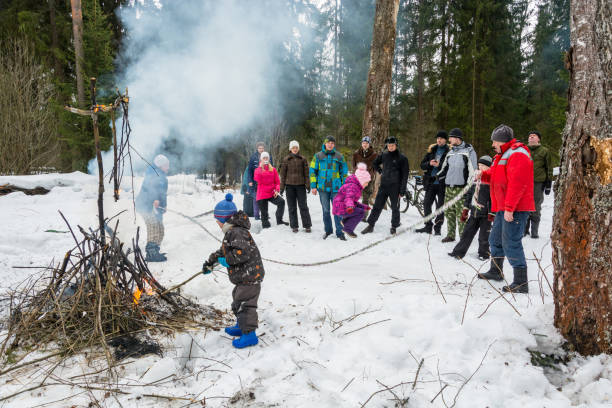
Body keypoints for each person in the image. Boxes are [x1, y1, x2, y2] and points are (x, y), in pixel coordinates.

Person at [476, 124, 534, 293]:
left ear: (501, 141)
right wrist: (483, 175)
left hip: (515, 207)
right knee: (495, 239)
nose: (492, 144)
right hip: (503, 207)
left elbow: (518, 183)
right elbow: (496, 175)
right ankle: (496, 271)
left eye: (494, 141)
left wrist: (509, 208)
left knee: (511, 242)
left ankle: (521, 282)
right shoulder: (502, 154)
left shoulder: (518, 153)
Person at [203, 202, 264, 349]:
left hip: (250, 276)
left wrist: (227, 260)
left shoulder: (237, 232)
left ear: (224, 219)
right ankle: (240, 325)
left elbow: (242, 253)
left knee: (245, 305)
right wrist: (210, 263)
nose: (218, 224)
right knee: (237, 300)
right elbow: (222, 252)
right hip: (243, 277)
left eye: (218, 221)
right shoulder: (231, 232)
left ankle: (249, 335)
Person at [435, 128, 478, 243]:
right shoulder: (450, 152)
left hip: (461, 189)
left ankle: (463, 238)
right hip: (449, 187)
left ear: (457, 138)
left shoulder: (469, 152)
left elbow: (473, 171)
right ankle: (450, 235)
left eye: (451, 137)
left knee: (461, 215)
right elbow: (444, 168)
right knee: (449, 212)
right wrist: (437, 177)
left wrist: (469, 188)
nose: (449, 140)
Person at [361, 136, 409, 235]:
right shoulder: (384, 154)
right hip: (384, 185)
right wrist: (380, 171)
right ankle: (371, 225)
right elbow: (375, 163)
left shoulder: (402, 158)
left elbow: (405, 175)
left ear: (396, 145)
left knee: (395, 208)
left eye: (392, 145)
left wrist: (402, 190)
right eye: (388, 145)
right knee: (377, 205)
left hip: (395, 187)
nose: (390, 147)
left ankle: (394, 226)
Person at [448, 156, 493, 260]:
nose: (480, 167)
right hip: (474, 212)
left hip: (486, 214)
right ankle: (458, 252)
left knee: (483, 237)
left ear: (489, 167)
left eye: (483, 166)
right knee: (466, 233)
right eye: (479, 165)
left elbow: (493, 198)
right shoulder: (475, 178)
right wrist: (465, 209)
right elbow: (469, 194)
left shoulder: (491, 179)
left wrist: (492, 212)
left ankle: (484, 254)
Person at [309, 135, 349, 240]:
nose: (330, 145)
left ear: (334, 145)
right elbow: (313, 171)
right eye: (328, 143)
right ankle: (328, 230)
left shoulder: (339, 156)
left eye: (332, 143)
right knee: (326, 211)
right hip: (322, 189)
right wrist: (313, 186)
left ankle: (340, 232)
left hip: (336, 188)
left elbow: (344, 172)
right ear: (325, 144)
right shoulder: (317, 156)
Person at [135, 154, 169, 262]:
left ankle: (155, 250)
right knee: (153, 225)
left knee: (160, 228)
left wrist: (164, 206)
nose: (168, 167)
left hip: (155, 207)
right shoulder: (153, 174)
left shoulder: (161, 175)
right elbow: (151, 188)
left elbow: (162, 193)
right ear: (160, 165)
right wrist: (154, 199)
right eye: (166, 165)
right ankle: (151, 253)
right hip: (146, 205)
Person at [416, 130, 450, 235]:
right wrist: (429, 163)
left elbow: (450, 167)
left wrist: (439, 166)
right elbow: (422, 165)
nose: (439, 140)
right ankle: (428, 226)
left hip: (442, 183)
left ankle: (437, 228)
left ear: (445, 140)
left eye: (441, 138)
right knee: (426, 204)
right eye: (438, 138)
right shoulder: (431, 150)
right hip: (430, 182)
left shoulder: (449, 152)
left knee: (440, 207)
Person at [279, 140, 312, 233]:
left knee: (303, 206)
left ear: (298, 148)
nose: (295, 149)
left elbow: (306, 174)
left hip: (301, 186)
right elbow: (283, 175)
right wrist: (282, 188)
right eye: (293, 148)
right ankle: (294, 226)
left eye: (296, 147)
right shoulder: (286, 159)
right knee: (292, 207)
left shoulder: (303, 159)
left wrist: (308, 185)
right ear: (290, 149)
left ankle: (307, 225)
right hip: (289, 187)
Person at [332, 163, 372, 238]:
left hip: (341, 205)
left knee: (360, 210)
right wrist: (350, 206)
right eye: (366, 182)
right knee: (360, 212)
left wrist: (363, 206)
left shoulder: (354, 185)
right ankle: (348, 229)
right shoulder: (353, 187)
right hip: (341, 207)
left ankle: (345, 222)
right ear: (361, 180)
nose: (367, 185)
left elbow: (353, 202)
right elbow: (349, 198)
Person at [525, 131, 552, 238]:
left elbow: (549, 168)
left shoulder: (545, 151)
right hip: (524, 183)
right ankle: (524, 231)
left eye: (534, 136)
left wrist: (548, 183)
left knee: (535, 206)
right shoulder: (524, 150)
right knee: (524, 206)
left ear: (538, 139)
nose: (531, 137)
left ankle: (534, 232)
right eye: (529, 135)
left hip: (538, 183)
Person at [253, 152, 287, 228]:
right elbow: (257, 179)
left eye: (266, 158)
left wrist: (277, 190)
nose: (265, 159)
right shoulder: (257, 170)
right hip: (262, 194)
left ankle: (279, 220)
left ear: (269, 159)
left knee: (281, 202)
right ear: (261, 159)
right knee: (264, 213)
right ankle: (266, 227)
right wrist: (260, 168)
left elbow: (277, 182)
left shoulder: (273, 169)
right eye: (264, 158)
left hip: (271, 193)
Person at [352, 136, 378, 220]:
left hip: (368, 180)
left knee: (366, 198)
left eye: (366, 143)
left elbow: (375, 167)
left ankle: (363, 216)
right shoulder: (356, 153)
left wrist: (371, 174)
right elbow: (354, 165)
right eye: (363, 143)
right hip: (358, 179)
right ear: (361, 144)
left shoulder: (374, 154)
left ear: (369, 144)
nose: (365, 145)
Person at [247, 142, 273, 220]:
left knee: (265, 198)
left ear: (264, 148)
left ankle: (265, 215)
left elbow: (272, 169)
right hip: (255, 182)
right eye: (259, 148)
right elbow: (250, 171)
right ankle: (256, 216)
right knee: (256, 199)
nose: (261, 149)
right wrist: (250, 181)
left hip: (265, 182)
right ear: (257, 148)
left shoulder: (268, 156)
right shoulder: (253, 157)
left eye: (262, 148)